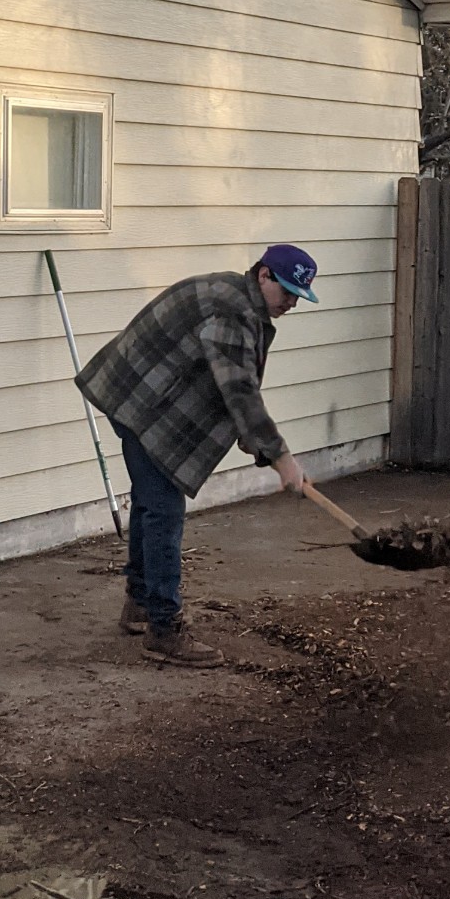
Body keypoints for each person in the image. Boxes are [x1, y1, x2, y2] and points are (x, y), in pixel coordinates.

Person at [74, 242, 319, 666]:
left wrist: (256, 443)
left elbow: (235, 385)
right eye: (287, 291)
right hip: (138, 397)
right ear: (263, 275)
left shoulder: (241, 301)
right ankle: (164, 629)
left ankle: (141, 603)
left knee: (152, 505)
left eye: (299, 296)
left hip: (145, 395)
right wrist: (282, 459)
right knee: (163, 509)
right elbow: (239, 389)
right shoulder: (233, 311)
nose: (292, 303)